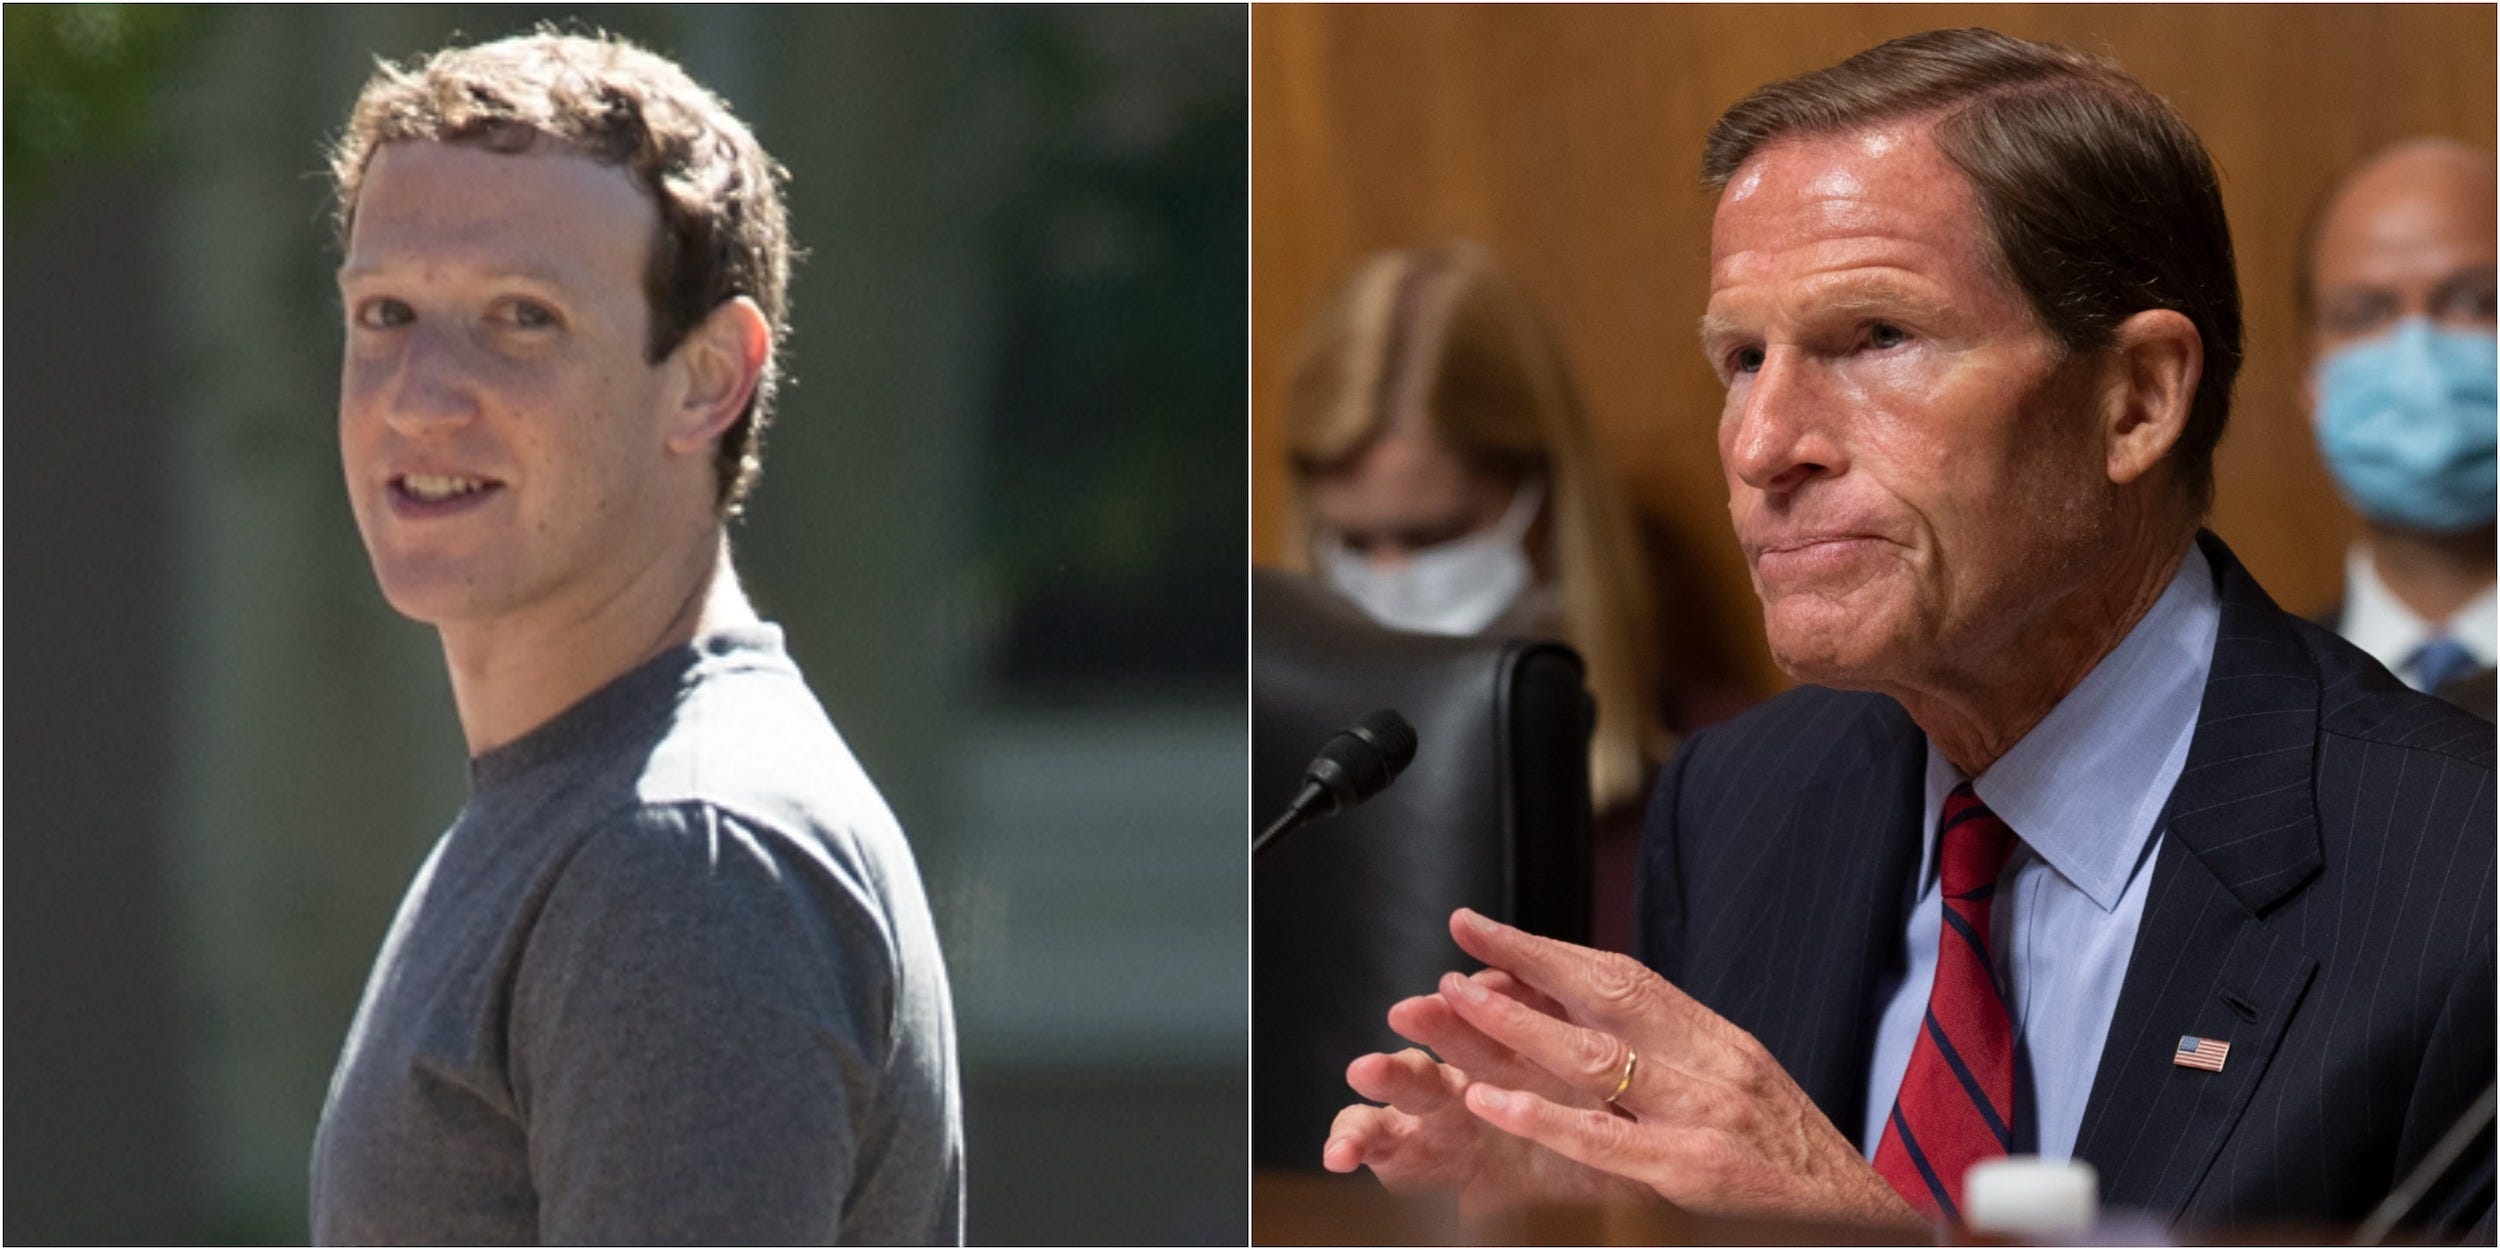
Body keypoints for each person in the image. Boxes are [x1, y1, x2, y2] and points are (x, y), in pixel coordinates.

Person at [1323, 28, 2493, 1238]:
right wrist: (1589, 1223)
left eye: (1876, 338)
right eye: (1740, 357)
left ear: (2135, 397)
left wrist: (1863, 1229)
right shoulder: (1738, 800)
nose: (1763, 444)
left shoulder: (2464, 879)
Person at [308, 32, 963, 1243]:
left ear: (709, 377)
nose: (419, 393)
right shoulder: (581, 809)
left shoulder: (677, 862)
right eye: (385, 311)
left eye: (521, 317)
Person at [2298, 138, 2498, 720]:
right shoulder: (2248, 702)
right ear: (2309, 383)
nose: (2420, 359)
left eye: (2477, 302)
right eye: (2365, 313)